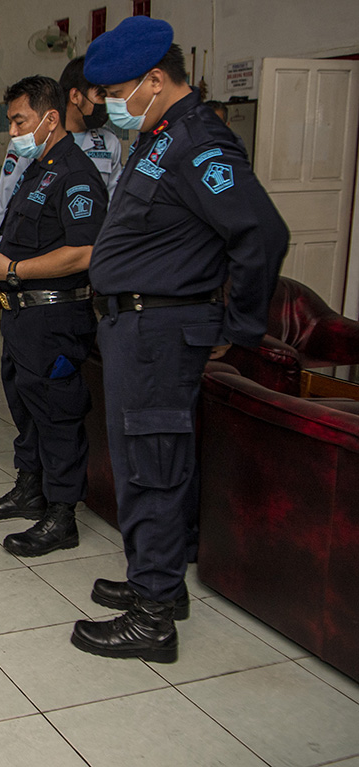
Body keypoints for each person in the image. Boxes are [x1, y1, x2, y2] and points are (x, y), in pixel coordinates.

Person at [72, 17, 287, 663]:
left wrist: (239, 326)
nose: (107, 103)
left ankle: (154, 616)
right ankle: (153, 577)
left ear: (155, 80)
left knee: (152, 467)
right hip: (138, 328)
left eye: (114, 89)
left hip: (160, 330)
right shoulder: (159, 136)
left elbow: (262, 234)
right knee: (147, 460)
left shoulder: (198, 142)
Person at [0, 76, 108, 557]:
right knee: (26, 408)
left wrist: (14, 268)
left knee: (58, 414)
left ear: (50, 118)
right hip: (23, 317)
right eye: (10, 122)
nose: (13, 131)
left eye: (19, 120)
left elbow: (84, 252)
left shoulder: (76, 174)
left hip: (56, 318)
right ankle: (31, 489)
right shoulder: (35, 167)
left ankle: (62, 515)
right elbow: (27, 237)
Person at [0, 57, 123, 304]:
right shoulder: (31, 143)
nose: (105, 103)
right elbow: (5, 199)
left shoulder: (107, 143)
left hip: (78, 267)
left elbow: (116, 206)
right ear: (76, 96)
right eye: (100, 94)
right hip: (30, 270)